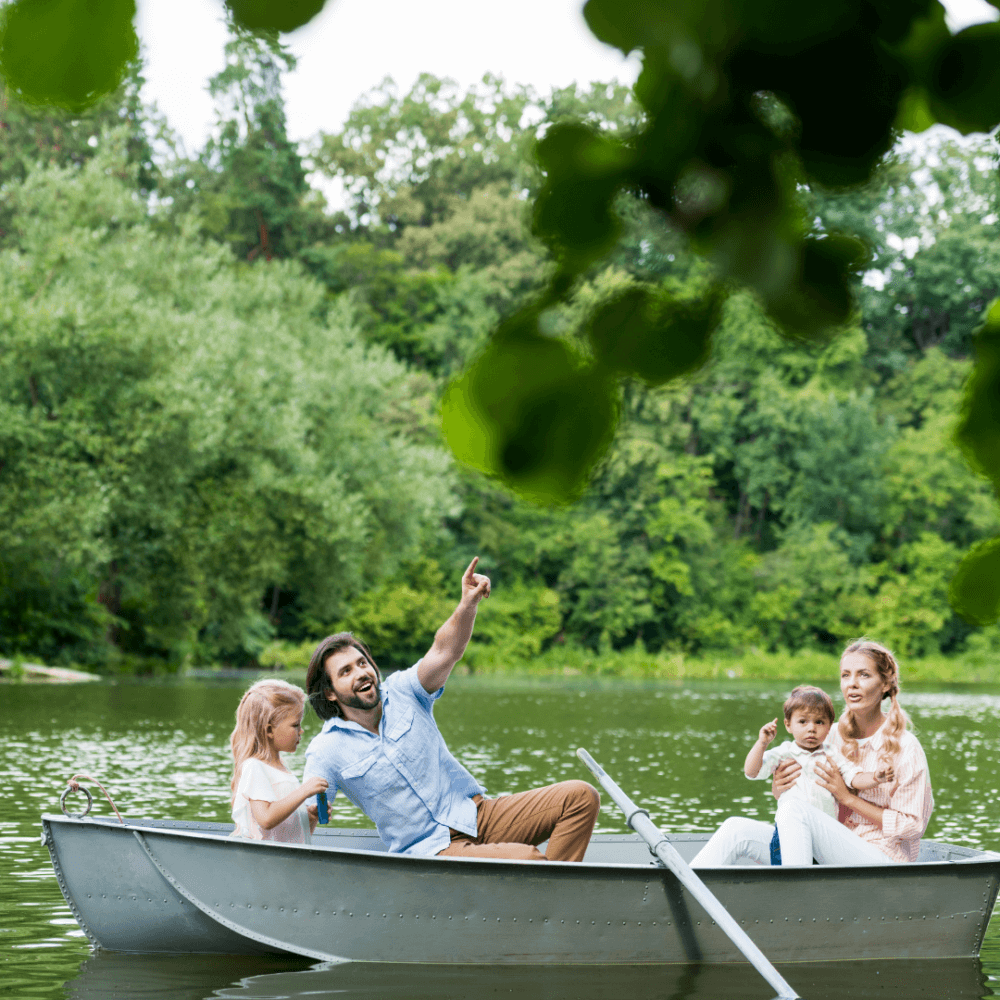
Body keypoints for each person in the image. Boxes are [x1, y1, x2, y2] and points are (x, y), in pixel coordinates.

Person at [303, 557, 601, 861]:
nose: (361, 673)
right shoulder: (326, 750)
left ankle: (551, 897)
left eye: (362, 663)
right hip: (432, 847)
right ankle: (552, 895)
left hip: (477, 813)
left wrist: (467, 604)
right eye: (345, 672)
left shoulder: (404, 690)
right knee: (525, 860)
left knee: (580, 796)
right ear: (329, 693)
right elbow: (312, 814)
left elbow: (445, 650)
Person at [691, 639, 933, 868]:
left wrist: (848, 799)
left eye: (864, 675)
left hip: (881, 858)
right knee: (736, 829)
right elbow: (797, 796)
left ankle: (797, 891)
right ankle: (679, 892)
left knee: (794, 809)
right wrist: (780, 788)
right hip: (826, 847)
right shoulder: (827, 734)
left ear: (886, 684)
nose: (852, 684)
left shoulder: (906, 747)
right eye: (845, 675)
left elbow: (912, 826)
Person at [738, 685, 893, 864]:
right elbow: (751, 772)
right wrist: (762, 743)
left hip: (823, 839)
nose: (811, 728)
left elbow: (854, 778)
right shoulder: (783, 753)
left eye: (819, 722)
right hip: (788, 837)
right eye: (803, 722)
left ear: (829, 728)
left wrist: (876, 777)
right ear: (788, 725)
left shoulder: (832, 754)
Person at [230, 678, 329, 844]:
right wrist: (304, 791)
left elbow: (294, 836)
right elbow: (266, 819)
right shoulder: (255, 767)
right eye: (295, 725)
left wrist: (309, 818)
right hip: (267, 865)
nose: (301, 730)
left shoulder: (282, 770)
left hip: (289, 864)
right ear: (269, 730)